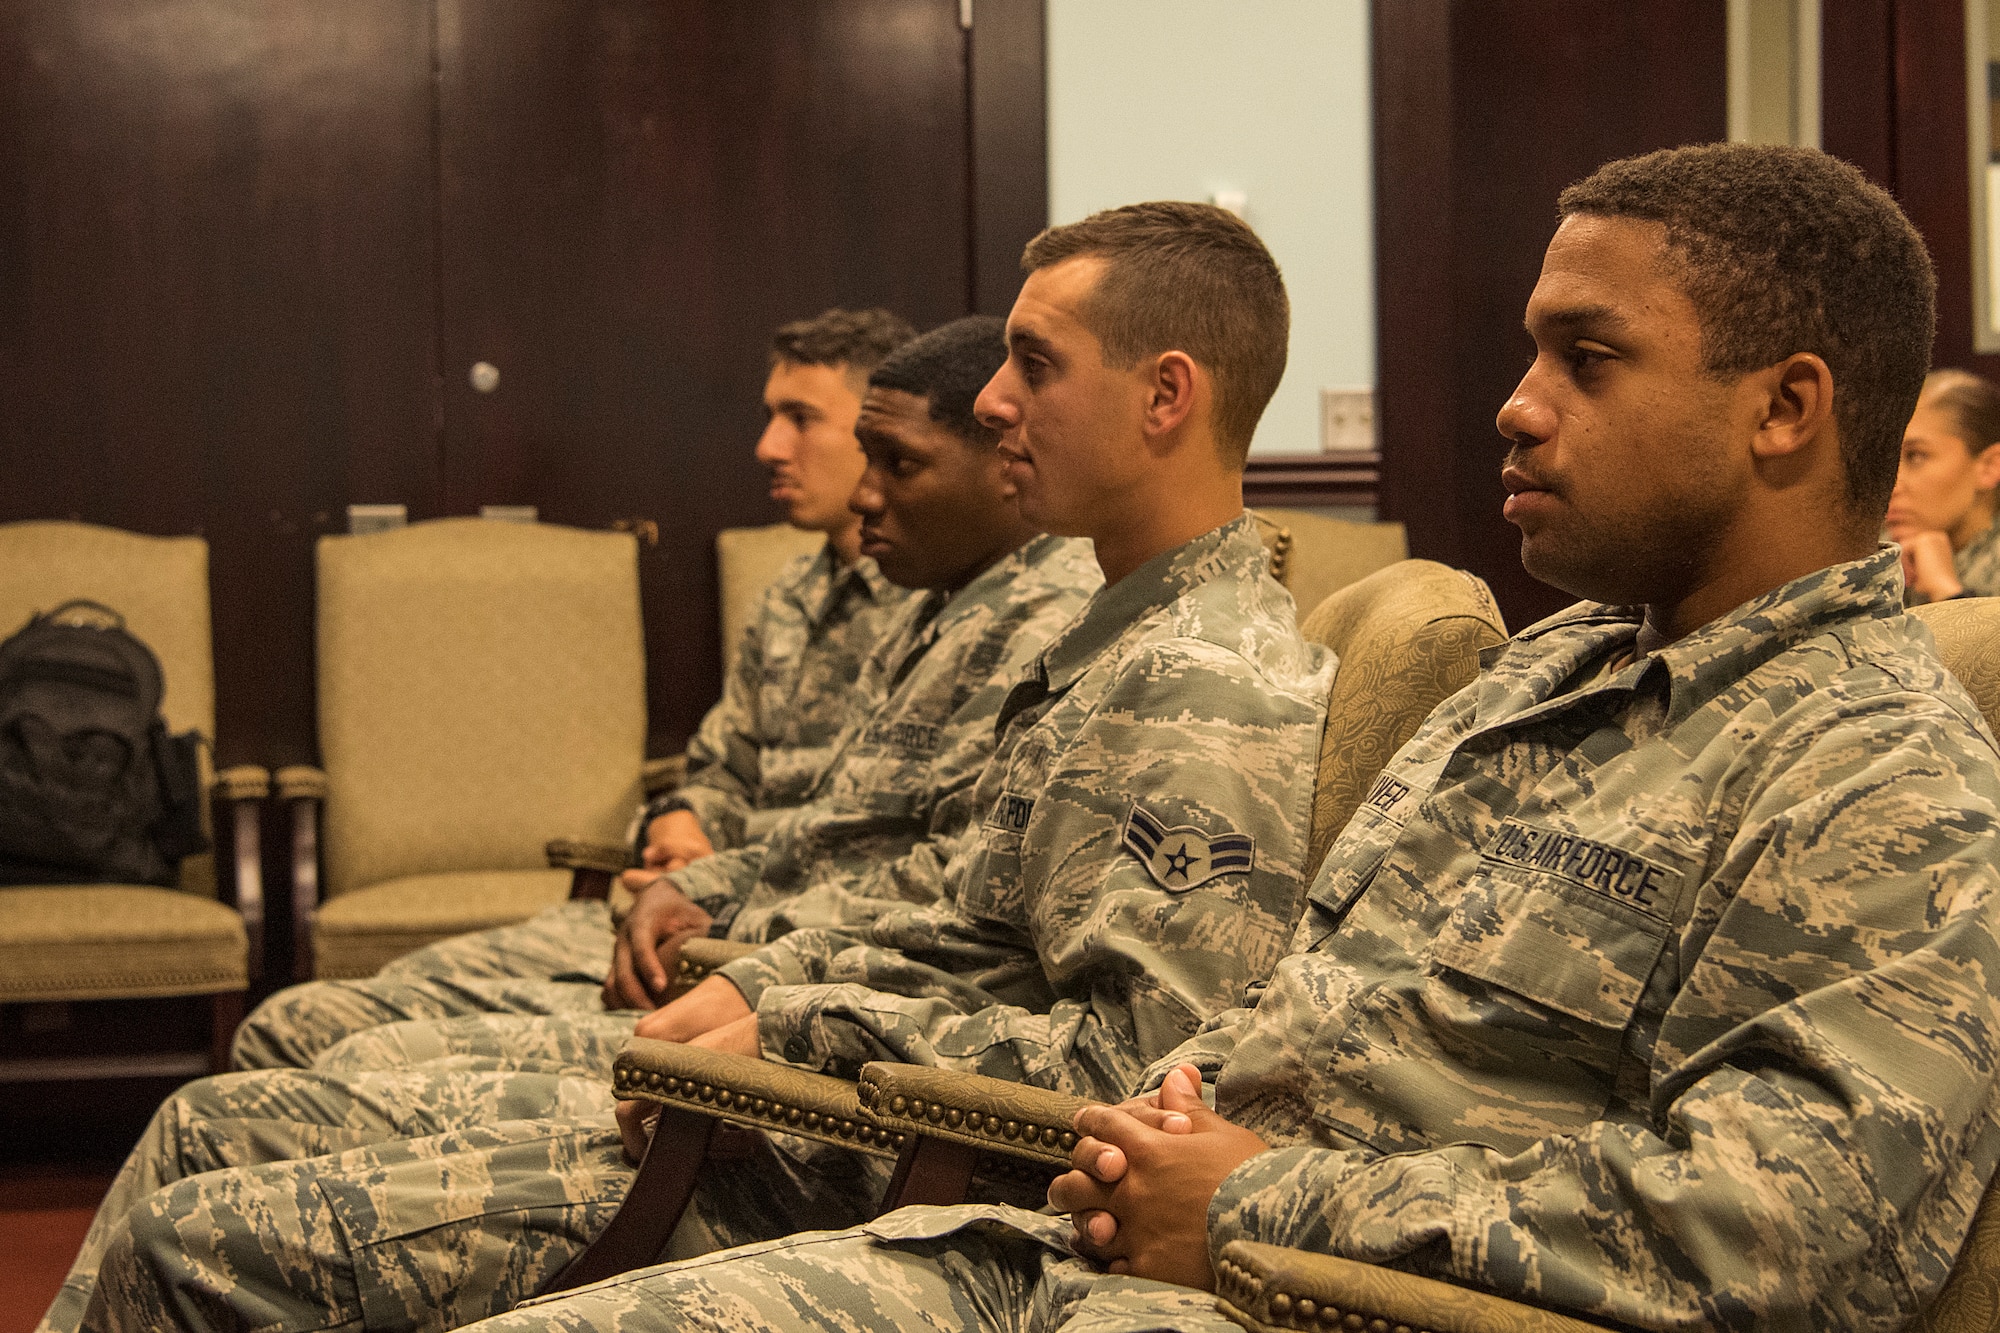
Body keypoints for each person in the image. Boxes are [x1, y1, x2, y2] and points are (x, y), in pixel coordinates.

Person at [464, 143, 2000, 1333]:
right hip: (1095, 1248)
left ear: (1786, 409)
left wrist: (1275, 1200)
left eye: (1586, 361)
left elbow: (1780, 1242)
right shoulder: (1548, 680)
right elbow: (1286, 1010)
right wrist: (1169, 1134)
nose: (1515, 409)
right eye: (1531, 355)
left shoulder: (1887, 780)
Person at [47, 315, 1107, 1333]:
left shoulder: (1060, 634)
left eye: (878, 452)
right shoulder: (924, 601)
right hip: (739, 973)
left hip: (789, 1039)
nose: (791, 458)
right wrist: (686, 837)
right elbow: (787, 801)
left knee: (269, 1096)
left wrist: (750, 967)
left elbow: (971, 939)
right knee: (278, 1066)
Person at [230, 307, 919, 1071]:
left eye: (801, 419)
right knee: (339, 1006)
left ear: (883, 430)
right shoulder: (790, 596)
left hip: (761, 947)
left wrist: (708, 880)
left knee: (315, 1037)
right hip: (684, 912)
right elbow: (723, 767)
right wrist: (684, 823)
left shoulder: (940, 612)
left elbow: (877, 851)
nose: (768, 447)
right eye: (769, 417)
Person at [1888, 367, 2000, 602]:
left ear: (1990, 466)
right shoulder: (1876, 555)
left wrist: (1946, 592)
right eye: (1886, 461)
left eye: (1916, 456)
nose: (1891, 486)